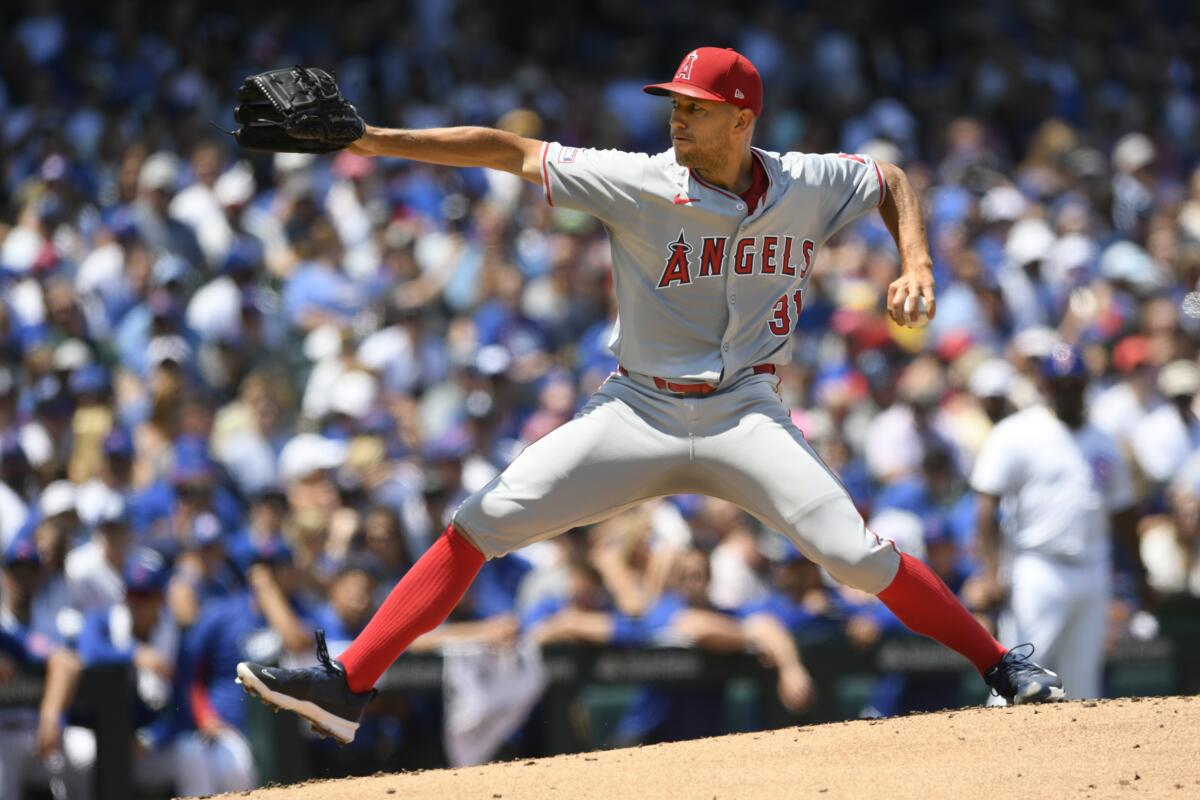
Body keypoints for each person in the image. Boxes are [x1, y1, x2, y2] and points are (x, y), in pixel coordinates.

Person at [237, 46, 1062, 744]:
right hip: (638, 409)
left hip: (747, 412)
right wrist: (373, 139)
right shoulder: (638, 180)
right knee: (478, 525)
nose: (677, 117)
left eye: (696, 107)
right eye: (674, 102)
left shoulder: (807, 180)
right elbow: (509, 152)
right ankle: (348, 685)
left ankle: (1001, 664)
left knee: (853, 555)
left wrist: (916, 262)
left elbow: (888, 179)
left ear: (742, 121)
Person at [968, 345, 1140, 699]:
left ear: (1085, 385)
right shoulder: (1018, 432)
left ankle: (1071, 756)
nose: (1067, 391)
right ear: (1044, 386)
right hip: (1037, 567)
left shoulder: (1104, 440)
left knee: (1082, 682)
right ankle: (994, 751)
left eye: (1073, 383)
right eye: (1058, 384)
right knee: (1018, 674)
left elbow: (1123, 513)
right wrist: (991, 571)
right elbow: (987, 503)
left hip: (1093, 567)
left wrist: (1142, 573)